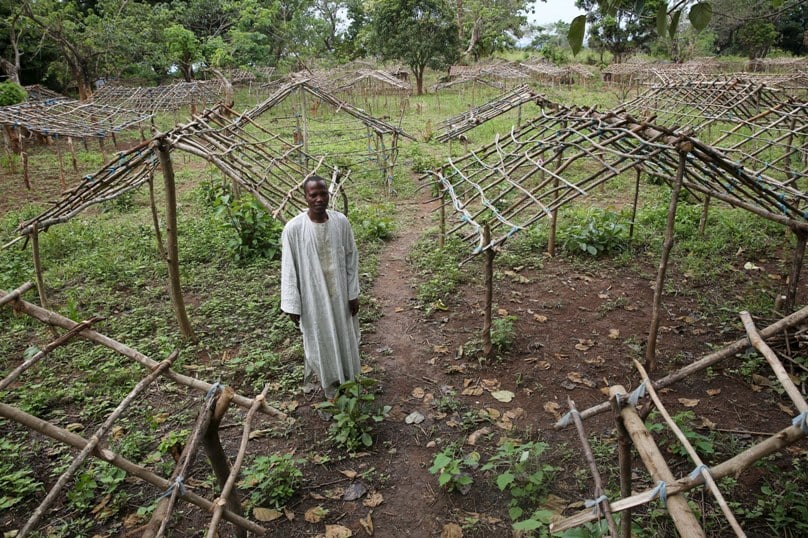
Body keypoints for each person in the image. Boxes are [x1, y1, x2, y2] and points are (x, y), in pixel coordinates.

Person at [280, 175, 361, 399]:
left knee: (345, 337)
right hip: (313, 299)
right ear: (305, 197)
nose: (319, 199)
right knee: (320, 340)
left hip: (341, 295)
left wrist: (353, 293)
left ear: (329, 194)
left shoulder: (341, 222)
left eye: (323, 193)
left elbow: (351, 258)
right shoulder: (294, 229)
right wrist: (291, 305)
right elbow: (289, 268)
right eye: (313, 195)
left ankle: (350, 382)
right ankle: (331, 389)